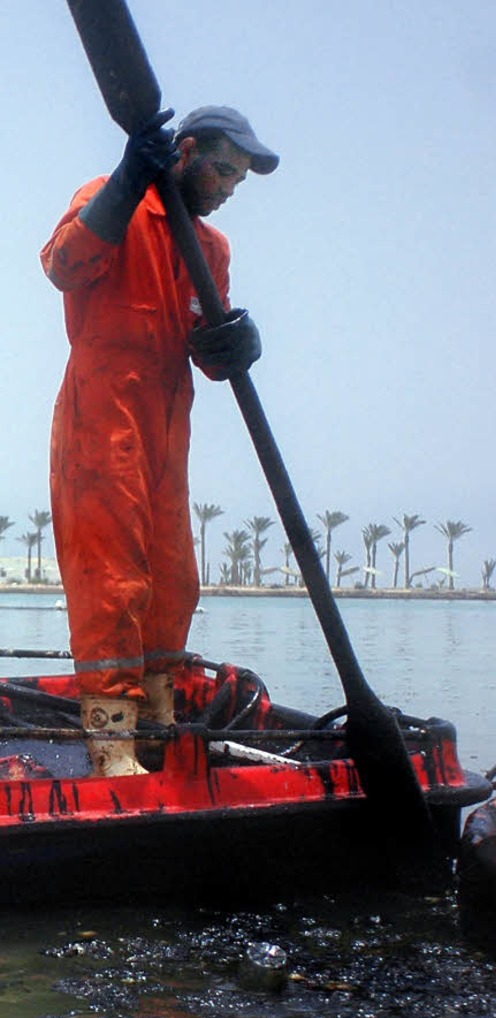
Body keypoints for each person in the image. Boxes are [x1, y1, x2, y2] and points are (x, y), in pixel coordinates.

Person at [41, 106, 279, 776]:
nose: (231, 187)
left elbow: (208, 344)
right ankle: (112, 748)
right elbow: (64, 265)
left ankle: (157, 727)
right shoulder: (108, 202)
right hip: (100, 422)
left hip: (168, 432)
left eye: (239, 179)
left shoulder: (211, 249)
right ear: (188, 152)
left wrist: (238, 341)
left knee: (174, 581)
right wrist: (125, 180)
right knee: (111, 581)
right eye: (225, 170)